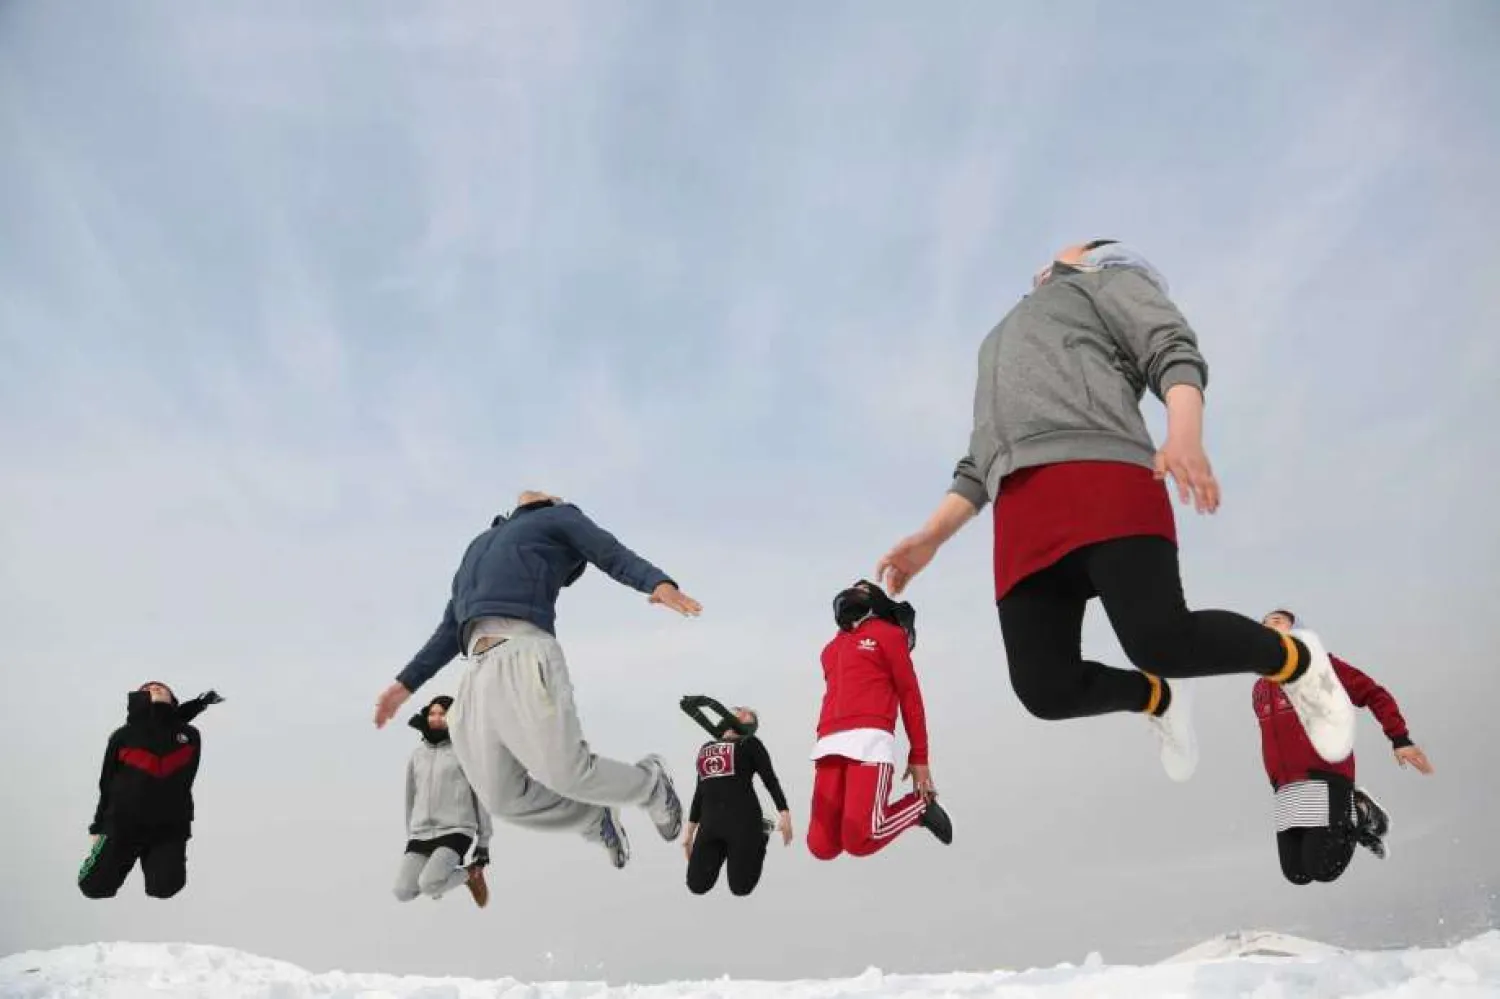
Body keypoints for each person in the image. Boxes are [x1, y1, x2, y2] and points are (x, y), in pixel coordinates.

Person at [874, 239, 1357, 782]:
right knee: (1045, 689)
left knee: (1161, 642)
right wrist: (932, 536)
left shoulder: (1108, 282)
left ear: (1096, 256)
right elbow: (979, 457)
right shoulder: (999, 337)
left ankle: (1298, 662)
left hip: (1099, 472)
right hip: (1019, 511)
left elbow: (1171, 349)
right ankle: (1158, 700)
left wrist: (1184, 435)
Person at [373, 491, 702, 870]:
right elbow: (451, 625)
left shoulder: (559, 517)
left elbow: (609, 552)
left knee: (567, 772)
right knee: (500, 797)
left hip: (523, 652)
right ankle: (592, 818)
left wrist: (657, 583)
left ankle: (650, 784)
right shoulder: (479, 544)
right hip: (476, 670)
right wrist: (405, 685)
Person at [1254, 608, 1434, 885]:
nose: (1268, 626)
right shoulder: (1260, 687)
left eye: (1277, 621)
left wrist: (1400, 738)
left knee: (1323, 869)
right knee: (1297, 874)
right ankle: (1354, 813)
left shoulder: (1320, 666)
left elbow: (1374, 693)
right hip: (1285, 786)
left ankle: (1359, 812)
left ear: (1297, 628)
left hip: (1325, 775)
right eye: (1263, 624)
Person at [807, 580, 952, 860]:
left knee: (860, 839)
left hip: (869, 740)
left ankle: (920, 807)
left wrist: (919, 756)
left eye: (863, 589)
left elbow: (910, 696)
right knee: (821, 847)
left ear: (876, 601)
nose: (854, 592)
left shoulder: (888, 634)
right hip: (828, 744)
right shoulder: (829, 649)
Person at [79, 682, 223, 900]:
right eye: (148, 688)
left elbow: (166, 727)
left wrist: (199, 704)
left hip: (170, 825)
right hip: (122, 823)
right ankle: (107, 856)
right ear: (138, 697)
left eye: (162, 688)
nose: (155, 687)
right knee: (94, 889)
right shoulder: (123, 736)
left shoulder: (189, 735)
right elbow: (106, 783)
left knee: (165, 889)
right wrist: (98, 826)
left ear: (173, 700)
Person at [394, 695, 493, 907]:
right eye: (432, 714)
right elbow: (410, 798)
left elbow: (481, 797)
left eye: (443, 714)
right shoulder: (417, 756)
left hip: (456, 830)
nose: (436, 718)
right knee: (402, 891)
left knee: (429, 885)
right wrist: (410, 834)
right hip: (421, 832)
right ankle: (441, 881)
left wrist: (483, 842)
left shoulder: (466, 752)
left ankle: (471, 875)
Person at [682, 706, 792, 897]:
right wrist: (689, 832)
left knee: (741, 888)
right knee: (697, 885)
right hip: (711, 824)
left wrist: (784, 813)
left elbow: (770, 780)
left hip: (744, 821)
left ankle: (762, 831)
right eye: (738, 711)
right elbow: (700, 790)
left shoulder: (750, 744)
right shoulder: (707, 748)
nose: (741, 715)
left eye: (747, 716)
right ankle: (726, 848)